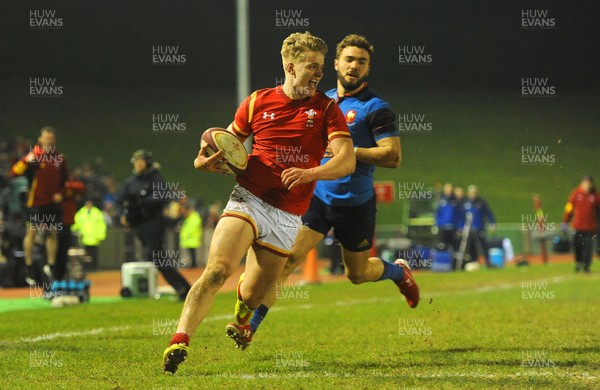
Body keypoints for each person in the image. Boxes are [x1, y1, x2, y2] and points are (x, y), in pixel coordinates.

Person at [162, 31, 356, 374]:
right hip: (248, 198)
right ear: (290, 67)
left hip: (288, 214)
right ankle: (180, 339)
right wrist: (202, 162)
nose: (319, 74)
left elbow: (346, 160)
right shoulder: (257, 102)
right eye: (313, 66)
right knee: (217, 269)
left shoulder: (326, 109)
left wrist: (312, 173)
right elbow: (224, 145)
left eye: (321, 68)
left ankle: (242, 304)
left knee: (253, 294)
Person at [243, 34, 420, 341]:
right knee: (286, 263)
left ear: (368, 68)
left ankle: (398, 272)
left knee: (357, 274)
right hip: (318, 198)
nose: (355, 66)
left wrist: (345, 152)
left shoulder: (375, 107)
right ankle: (249, 327)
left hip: (355, 203)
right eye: (349, 60)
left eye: (362, 62)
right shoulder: (319, 101)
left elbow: (392, 156)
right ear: (336, 64)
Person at [117, 149, 191, 299]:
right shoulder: (130, 182)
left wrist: (140, 202)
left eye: (141, 161)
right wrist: (122, 215)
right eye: (136, 161)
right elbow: (119, 200)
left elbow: (161, 197)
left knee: (154, 255)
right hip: (138, 225)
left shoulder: (156, 178)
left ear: (147, 162)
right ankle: (184, 288)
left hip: (154, 222)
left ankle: (182, 288)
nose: (138, 164)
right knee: (158, 258)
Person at [10, 127, 67, 282]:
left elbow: (65, 181)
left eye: (51, 138)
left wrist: (60, 194)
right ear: (40, 140)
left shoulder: (59, 158)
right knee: (32, 232)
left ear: (54, 141)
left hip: (52, 203)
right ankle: (28, 266)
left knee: (52, 232)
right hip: (35, 202)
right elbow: (14, 172)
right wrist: (26, 160)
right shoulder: (34, 156)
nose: (48, 141)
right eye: (46, 138)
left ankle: (51, 265)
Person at [562, 175, 600, 273]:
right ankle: (578, 262)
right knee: (577, 246)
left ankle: (586, 266)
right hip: (578, 226)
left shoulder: (595, 195)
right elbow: (569, 208)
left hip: (590, 228)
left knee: (588, 248)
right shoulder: (576, 193)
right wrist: (565, 221)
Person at [460, 185, 496, 267]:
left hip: (480, 228)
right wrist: (461, 227)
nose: (472, 194)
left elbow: (489, 213)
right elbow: (461, 216)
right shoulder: (465, 203)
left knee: (484, 246)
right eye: (471, 192)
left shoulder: (481, 202)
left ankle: (488, 263)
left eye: (474, 192)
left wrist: (492, 223)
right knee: (471, 248)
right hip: (469, 229)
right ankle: (474, 263)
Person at [71, 199, 106, 270]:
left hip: (94, 238)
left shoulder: (97, 213)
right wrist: (75, 231)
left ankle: (94, 267)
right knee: (85, 254)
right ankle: (86, 267)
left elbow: (101, 225)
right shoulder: (81, 213)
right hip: (84, 238)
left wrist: (100, 236)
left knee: (94, 254)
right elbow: (75, 224)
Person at [435, 183, 458, 252]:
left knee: (454, 246)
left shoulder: (456, 201)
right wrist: (436, 224)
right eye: (447, 190)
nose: (448, 191)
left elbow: (458, 214)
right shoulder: (441, 201)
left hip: (453, 227)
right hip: (443, 227)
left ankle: (453, 261)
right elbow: (437, 213)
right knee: (442, 246)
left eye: (450, 190)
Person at [178, 202, 202, 268]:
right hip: (189, 239)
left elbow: (193, 227)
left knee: (192, 253)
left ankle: (193, 265)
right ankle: (192, 264)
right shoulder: (190, 218)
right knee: (190, 253)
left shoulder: (194, 217)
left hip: (192, 239)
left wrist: (188, 235)